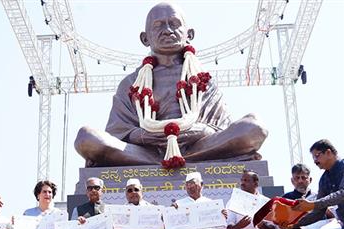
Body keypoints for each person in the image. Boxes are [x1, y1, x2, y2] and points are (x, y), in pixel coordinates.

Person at [75, 2, 267, 167]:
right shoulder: (131, 83)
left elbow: (220, 128)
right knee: (86, 138)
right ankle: (170, 160)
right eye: (158, 25)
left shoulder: (202, 79)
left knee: (253, 128)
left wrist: (201, 130)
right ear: (145, 38)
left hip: (199, 145)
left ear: (189, 34)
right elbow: (117, 131)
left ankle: (174, 160)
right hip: (144, 150)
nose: (167, 30)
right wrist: (142, 136)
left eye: (174, 24)